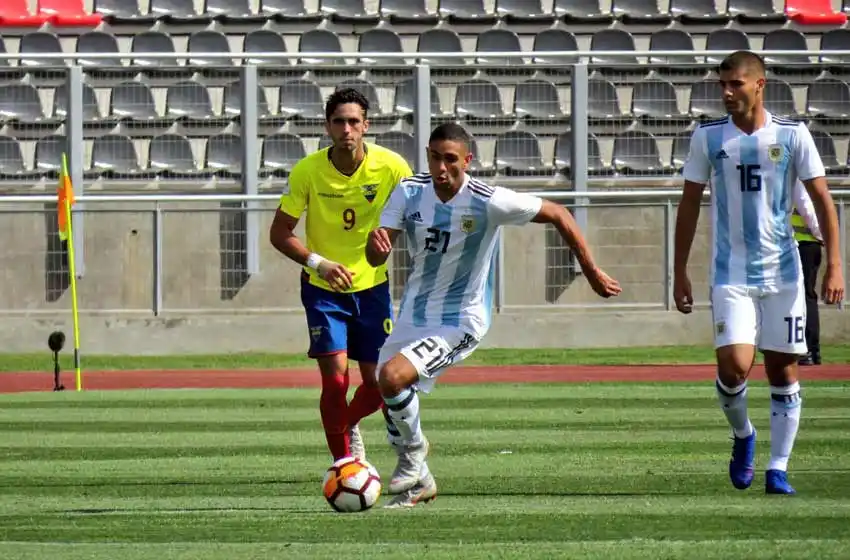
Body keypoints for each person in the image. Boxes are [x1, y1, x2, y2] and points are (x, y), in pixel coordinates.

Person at [365, 123, 622, 508]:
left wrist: (591, 271)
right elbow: (376, 256)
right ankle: (423, 483)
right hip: (413, 315)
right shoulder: (409, 191)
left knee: (392, 377)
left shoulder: (488, 200)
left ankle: (414, 453)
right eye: (434, 157)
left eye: (450, 159)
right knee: (387, 389)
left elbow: (558, 213)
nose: (440, 167)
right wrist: (376, 245)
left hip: (460, 320)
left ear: (467, 161)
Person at [673, 51, 844, 496]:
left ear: (760, 84)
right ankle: (744, 435)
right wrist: (679, 271)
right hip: (730, 272)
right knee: (734, 367)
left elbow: (823, 201)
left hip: (783, 272)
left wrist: (835, 265)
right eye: (722, 85)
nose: (727, 92)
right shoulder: (708, 137)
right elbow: (689, 203)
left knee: (783, 370)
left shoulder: (792, 135)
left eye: (736, 84)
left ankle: (779, 467)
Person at [269, 88, 413, 462]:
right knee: (335, 380)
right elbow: (279, 233)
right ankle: (343, 464)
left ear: (366, 125)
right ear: (327, 127)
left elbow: (416, 214)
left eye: (354, 121)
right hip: (323, 289)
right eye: (339, 121)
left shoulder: (393, 167)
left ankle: (345, 425)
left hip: (372, 289)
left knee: (380, 384)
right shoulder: (308, 171)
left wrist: (391, 240)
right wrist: (321, 264)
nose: (346, 129)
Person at [792, 181, 824, 366]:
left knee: (803, 296)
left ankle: (808, 349)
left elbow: (807, 208)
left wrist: (820, 235)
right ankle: (812, 350)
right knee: (807, 295)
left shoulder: (796, 178)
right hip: (807, 242)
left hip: (802, 242)